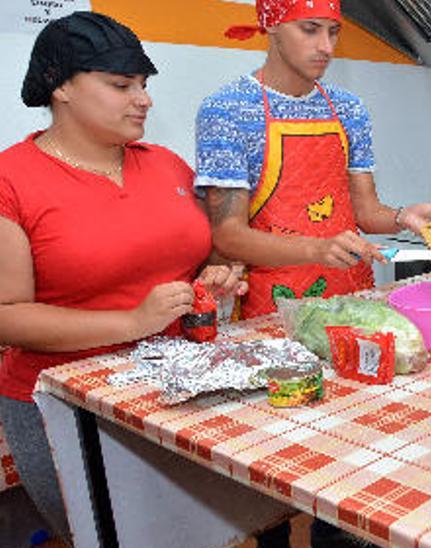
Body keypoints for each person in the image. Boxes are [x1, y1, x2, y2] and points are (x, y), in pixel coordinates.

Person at [0, 12, 245, 543]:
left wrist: (218, 275)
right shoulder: (11, 180)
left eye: (144, 85)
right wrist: (134, 321)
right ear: (60, 86)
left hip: (175, 391)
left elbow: (192, 258)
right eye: (121, 85)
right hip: (65, 405)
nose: (144, 99)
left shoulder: (167, 166)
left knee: (193, 533)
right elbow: (8, 318)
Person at [199, 0, 431, 320]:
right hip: (275, 308)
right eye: (309, 29)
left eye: (333, 32)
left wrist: (403, 216)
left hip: (352, 293)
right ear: (272, 25)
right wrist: (317, 249)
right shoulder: (229, 111)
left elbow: (365, 212)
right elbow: (228, 236)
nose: (326, 47)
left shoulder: (348, 109)